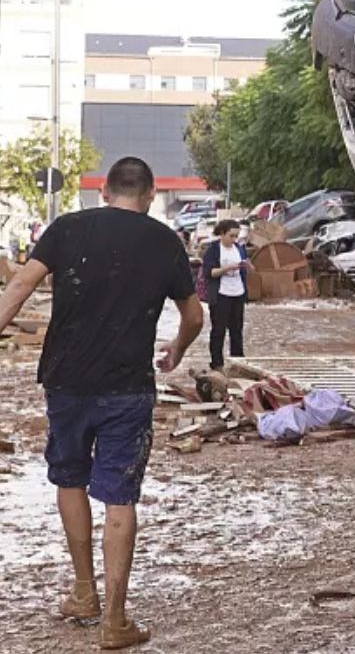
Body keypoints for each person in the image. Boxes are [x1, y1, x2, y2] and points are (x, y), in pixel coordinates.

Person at [0, 157, 204, 649]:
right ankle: (115, 620)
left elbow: (20, 287)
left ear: (105, 192)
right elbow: (194, 315)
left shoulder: (67, 228)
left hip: (66, 383)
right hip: (128, 387)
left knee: (69, 478)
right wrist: (175, 349)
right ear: (151, 194)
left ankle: (83, 593)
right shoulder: (165, 242)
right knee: (119, 496)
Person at [200, 220, 251, 369]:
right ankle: (217, 364)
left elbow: (247, 271)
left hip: (238, 294)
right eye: (231, 236)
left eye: (236, 236)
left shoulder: (239, 248)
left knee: (237, 330)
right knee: (219, 330)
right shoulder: (213, 250)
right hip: (221, 295)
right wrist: (226, 268)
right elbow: (210, 273)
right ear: (221, 233)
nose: (234, 239)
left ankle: (238, 363)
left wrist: (248, 266)